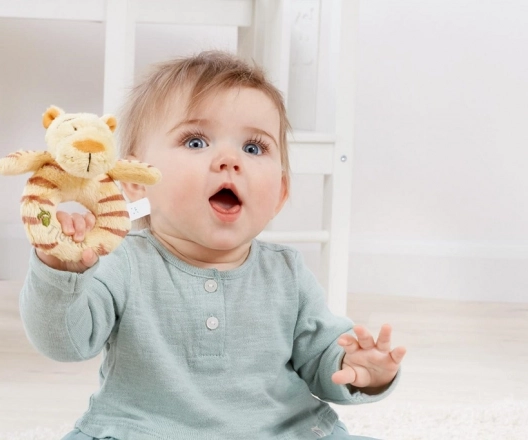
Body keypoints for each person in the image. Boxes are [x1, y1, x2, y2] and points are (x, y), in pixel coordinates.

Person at [20, 50, 406, 440]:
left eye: (253, 148)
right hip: (141, 430)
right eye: (195, 141)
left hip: (282, 430)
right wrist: (60, 272)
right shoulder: (123, 262)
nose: (229, 160)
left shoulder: (286, 273)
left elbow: (323, 356)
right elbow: (64, 343)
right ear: (136, 179)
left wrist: (360, 369)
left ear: (280, 194)